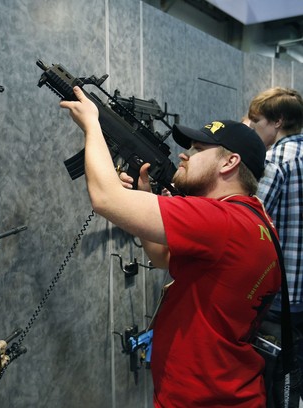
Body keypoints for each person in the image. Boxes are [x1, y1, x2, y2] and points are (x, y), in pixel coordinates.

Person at [60, 86, 281, 407]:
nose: (184, 155)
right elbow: (162, 257)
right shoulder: (252, 217)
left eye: (197, 149)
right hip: (226, 389)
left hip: (204, 398)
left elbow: (106, 198)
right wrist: (149, 200)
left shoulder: (220, 220)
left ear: (229, 162)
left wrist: (93, 125)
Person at [248, 86, 303, 406]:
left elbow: (251, 221)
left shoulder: (276, 160)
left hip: (280, 299)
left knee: (275, 389)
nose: (255, 130)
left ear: (278, 121)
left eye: (258, 122)